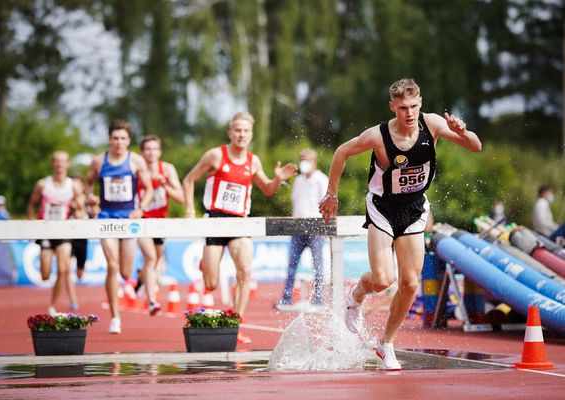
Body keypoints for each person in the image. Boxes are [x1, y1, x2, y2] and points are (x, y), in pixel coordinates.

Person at [319, 78, 482, 370]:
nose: (409, 113)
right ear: (392, 106)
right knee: (383, 280)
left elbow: (476, 147)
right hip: (383, 208)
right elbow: (341, 152)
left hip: (414, 208)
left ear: (421, 103)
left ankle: (386, 343)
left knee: (409, 282)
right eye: (403, 107)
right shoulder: (378, 136)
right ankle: (356, 297)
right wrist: (331, 194)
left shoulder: (432, 125)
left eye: (414, 106)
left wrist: (463, 131)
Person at [182, 111, 297, 344]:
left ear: (251, 134)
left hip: (240, 221)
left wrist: (276, 180)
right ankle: (206, 265)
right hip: (215, 220)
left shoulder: (252, 161)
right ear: (230, 133)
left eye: (245, 131)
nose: (241, 134)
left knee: (245, 271)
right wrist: (189, 211)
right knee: (211, 283)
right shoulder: (215, 155)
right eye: (237, 130)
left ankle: (237, 322)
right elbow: (188, 180)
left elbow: (266, 189)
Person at [86, 119, 154, 334]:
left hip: (128, 220)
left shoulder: (136, 161)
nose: (119, 142)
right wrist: (90, 199)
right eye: (115, 138)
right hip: (106, 218)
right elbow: (87, 185)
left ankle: (140, 276)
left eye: (123, 138)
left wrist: (140, 208)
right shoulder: (99, 161)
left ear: (128, 140)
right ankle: (115, 317)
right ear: (109, 139)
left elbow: (149, 189)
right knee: (112, 266)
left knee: (125, 273)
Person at [27, 151, 86, 315]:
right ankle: (52, 298)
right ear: (52, 163)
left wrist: (79, 211)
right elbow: (31, 205)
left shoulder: (72, 185)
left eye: (63, 162)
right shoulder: (42, 184)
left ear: (68, 164)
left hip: (64, 232)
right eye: (57, 162)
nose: (60, 165)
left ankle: (52, 305)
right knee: (45, 275)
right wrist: (32, 224)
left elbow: (81, 207)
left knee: (64, 269)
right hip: (46, 232)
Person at [135, 135, 185, 316]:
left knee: (156, 259)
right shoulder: (136, 170)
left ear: (160, 151)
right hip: (141, 220)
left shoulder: (167, 169)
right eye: (147, 149)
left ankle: (141, 277)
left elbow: (181, 198)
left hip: (160, 222)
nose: (151, 152)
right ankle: (152, 301)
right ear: (141, 152)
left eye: (154, 149)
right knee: (150, 258)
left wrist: (165, 186)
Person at [276, 148, 328, 311]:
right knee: (291, 266)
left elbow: (328, 203)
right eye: (302, 159)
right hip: (297, 227)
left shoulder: (321, 179)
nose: (304, 162)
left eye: (307, 159)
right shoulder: (298, 180)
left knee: (318, 266)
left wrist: (326, 226)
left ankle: (318, 300)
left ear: (315, 161)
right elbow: (295, 202)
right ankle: (286, 299)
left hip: (315, 227)